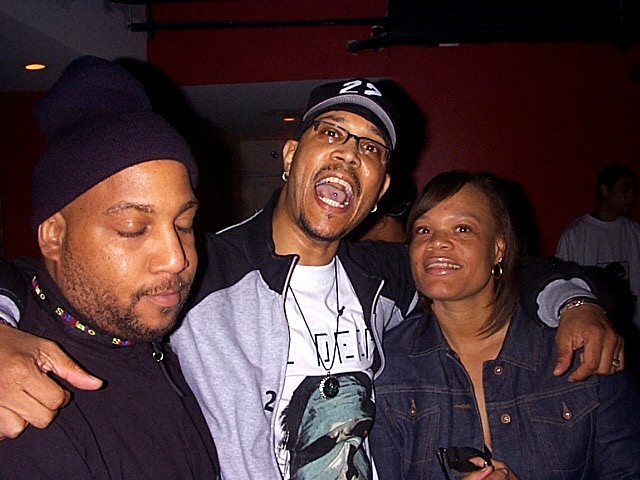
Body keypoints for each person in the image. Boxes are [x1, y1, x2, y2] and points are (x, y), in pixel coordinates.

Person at [0, 78, 622, 479]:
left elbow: (499, 271)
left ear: (379, 189)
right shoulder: (197, 268)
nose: (350, 154)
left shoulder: (388, 276)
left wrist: (576, 302)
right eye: (331, 133)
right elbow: (57, 277)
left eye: (371, 148)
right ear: (293, 154)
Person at [0, 56, 220, 478]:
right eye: (133, 228)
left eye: (184, 224)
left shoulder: (164, 344)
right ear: (54, 236)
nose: (176, 258)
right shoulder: (25, 405)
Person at [369, 170, 640, 480]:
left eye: (462, 228)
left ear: (499, 248)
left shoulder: (579, 346)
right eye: (423, 230)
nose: (437, 242)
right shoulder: (388, 365)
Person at [556, 163, 640, 332]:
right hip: (593, 328)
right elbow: (561, 284)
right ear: (605, 190)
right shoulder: (576, 235)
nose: (630, 196)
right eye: (624, 190)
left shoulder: (635, 232)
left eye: (633, 191)